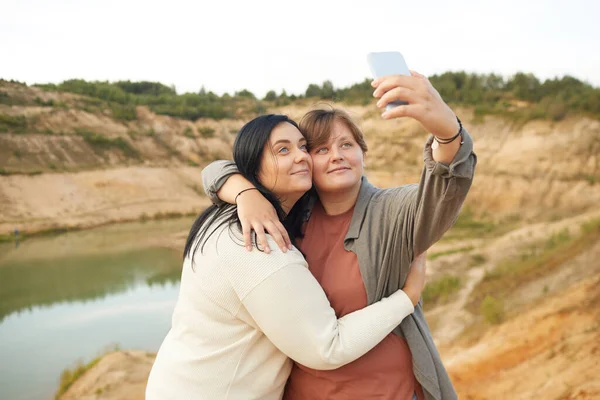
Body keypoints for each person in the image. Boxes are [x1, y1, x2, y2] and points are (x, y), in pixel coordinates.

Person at [202, 72, 477, 400]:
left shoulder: (392, 212)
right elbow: (215, 171)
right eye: (320, 149)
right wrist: (247, 193)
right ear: (306, 162)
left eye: (347, 144)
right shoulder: (289, 216)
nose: (337, 155)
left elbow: (445, 184)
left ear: (362, 154)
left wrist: (446, 131)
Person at [145, 114, 428, 400]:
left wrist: (245, 192)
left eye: (304, 147)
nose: (300, 157)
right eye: (283, 150)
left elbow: (216, 171)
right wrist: (407, 297)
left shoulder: (232, 214)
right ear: (252, 166)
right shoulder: (256, 244)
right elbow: (327, 347)